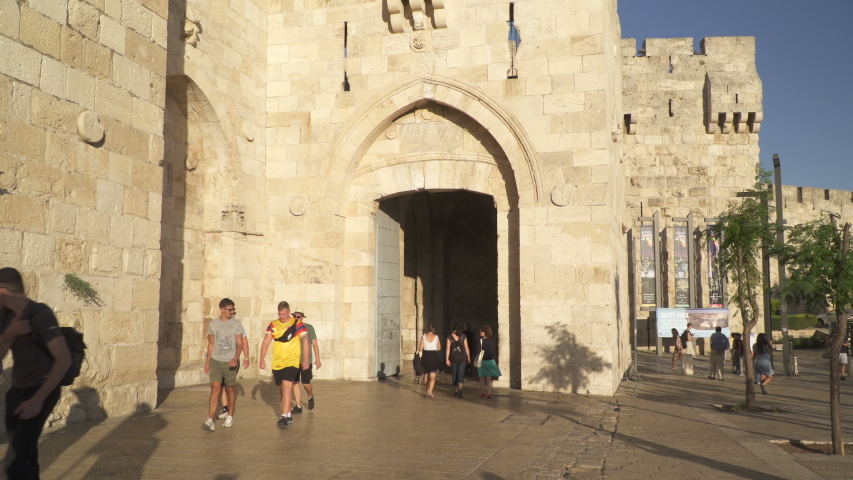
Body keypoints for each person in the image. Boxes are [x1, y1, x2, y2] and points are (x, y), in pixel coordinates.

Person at [0, 267, 72, 479]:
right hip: (17, 391)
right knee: (25, 455)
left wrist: (38, 400)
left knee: (15, 460)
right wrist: (11, 333)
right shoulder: (5, 316)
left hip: (42, 390)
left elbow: (64, 359)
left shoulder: (40, 314)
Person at [259, 301, 310, 428]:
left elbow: (305, 342)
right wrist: (261, 359)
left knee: (287, 387)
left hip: (292, 361)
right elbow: (266, 342)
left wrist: (305, 360)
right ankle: (287, 414)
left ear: (288, 312)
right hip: (278, 362)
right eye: (279, 314)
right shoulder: (273, 325)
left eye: (284, 314)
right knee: (282, 389)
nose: (281, 316)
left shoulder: (298, 324)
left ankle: (283, 417)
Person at [203, 298, 246, 431]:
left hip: (230, 361)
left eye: (233, 309)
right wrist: (208, 362)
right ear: (222, 309)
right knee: (215, 389)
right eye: (229, 309)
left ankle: (230, 416)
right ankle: (210, 419)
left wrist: (236, 358)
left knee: (230, 389)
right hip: (216, 360)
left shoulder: (236, 324)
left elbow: (240, 344)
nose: (232, 312)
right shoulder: (213, 324)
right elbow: (211, 344)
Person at [217, 307, 250, 421]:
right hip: (219, 359)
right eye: (231, 312)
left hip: (232, 359)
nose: (233, 314)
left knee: (228, 385)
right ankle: (225, 408)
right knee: (220, 384)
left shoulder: (238, 326)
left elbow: (244, 341)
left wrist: (246, 357)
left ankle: (230, 411)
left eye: (234, 312)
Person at [291, 311, 321, 412]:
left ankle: (310, 395)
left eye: (298, 317)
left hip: (306, 360)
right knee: (295, 382)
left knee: (306, 382)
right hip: (294, 360)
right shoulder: (291, 328)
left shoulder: (309, 328)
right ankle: (298, 406)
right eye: (294, 316)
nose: (296, 318)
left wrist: (318, 359)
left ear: (302, 317)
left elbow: (315, 344)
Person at [476, 325, 501, 398]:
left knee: (482, 377)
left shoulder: (480, 341)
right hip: (490, 360)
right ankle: (489, 393)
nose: (480, 332)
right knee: (489, 378)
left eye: (481, 331)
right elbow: (493, 351)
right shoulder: (492, 340)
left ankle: (482, 392)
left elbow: (478, 351)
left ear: (485, 332)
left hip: (482, 360)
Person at [446, 324, 470, 398]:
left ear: (453, 329)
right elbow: (466, 348)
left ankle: (456, 391)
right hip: (462, 358)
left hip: (454, 359)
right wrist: (468, 357)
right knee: (461, 374)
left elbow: (448, 348)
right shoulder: (463, 336)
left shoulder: (449, 337)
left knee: (455, 374)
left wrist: (447, 359)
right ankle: (460, 389)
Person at [419, 324, 442, 399]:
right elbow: (439, 348)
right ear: (434, 329)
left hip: (426, 356)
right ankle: (430, 392)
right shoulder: (436, 337)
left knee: (426, 374)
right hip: (433, 356)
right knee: (433, 376)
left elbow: (420, 348)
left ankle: (427, 391)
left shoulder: (424, 337)